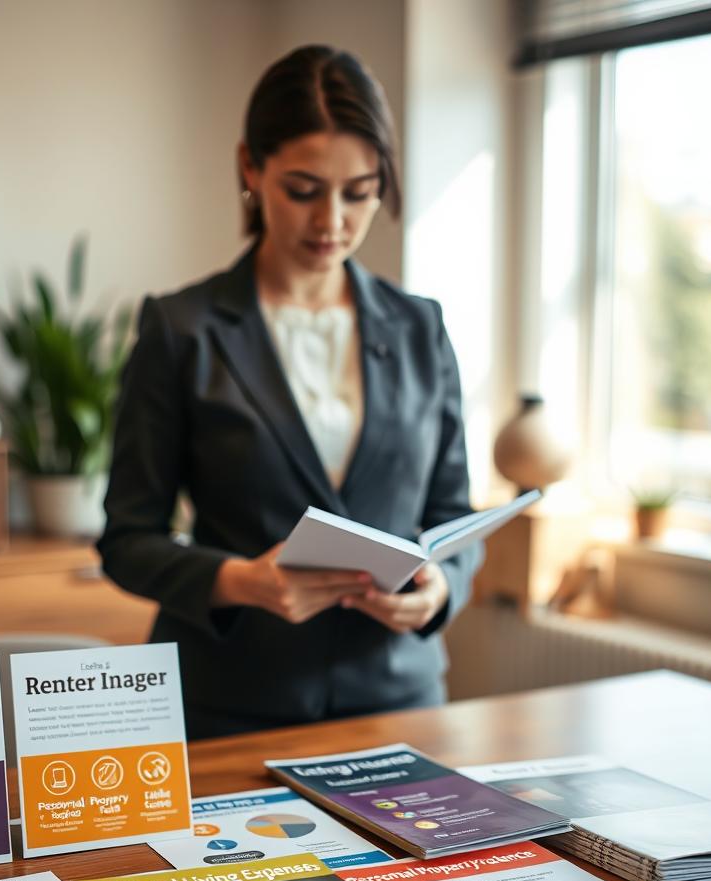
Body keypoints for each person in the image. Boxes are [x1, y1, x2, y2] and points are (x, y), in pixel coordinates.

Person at [98, 45, 482, 740]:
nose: (331, 220)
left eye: (359, 192)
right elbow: (127, 541)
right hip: (227, 707)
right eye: (304, 189)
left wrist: (440, 588)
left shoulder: (422, 328)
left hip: (400, 704)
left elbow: (454, 516)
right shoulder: (182, 330)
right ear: (251, 168)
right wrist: (240, 581)